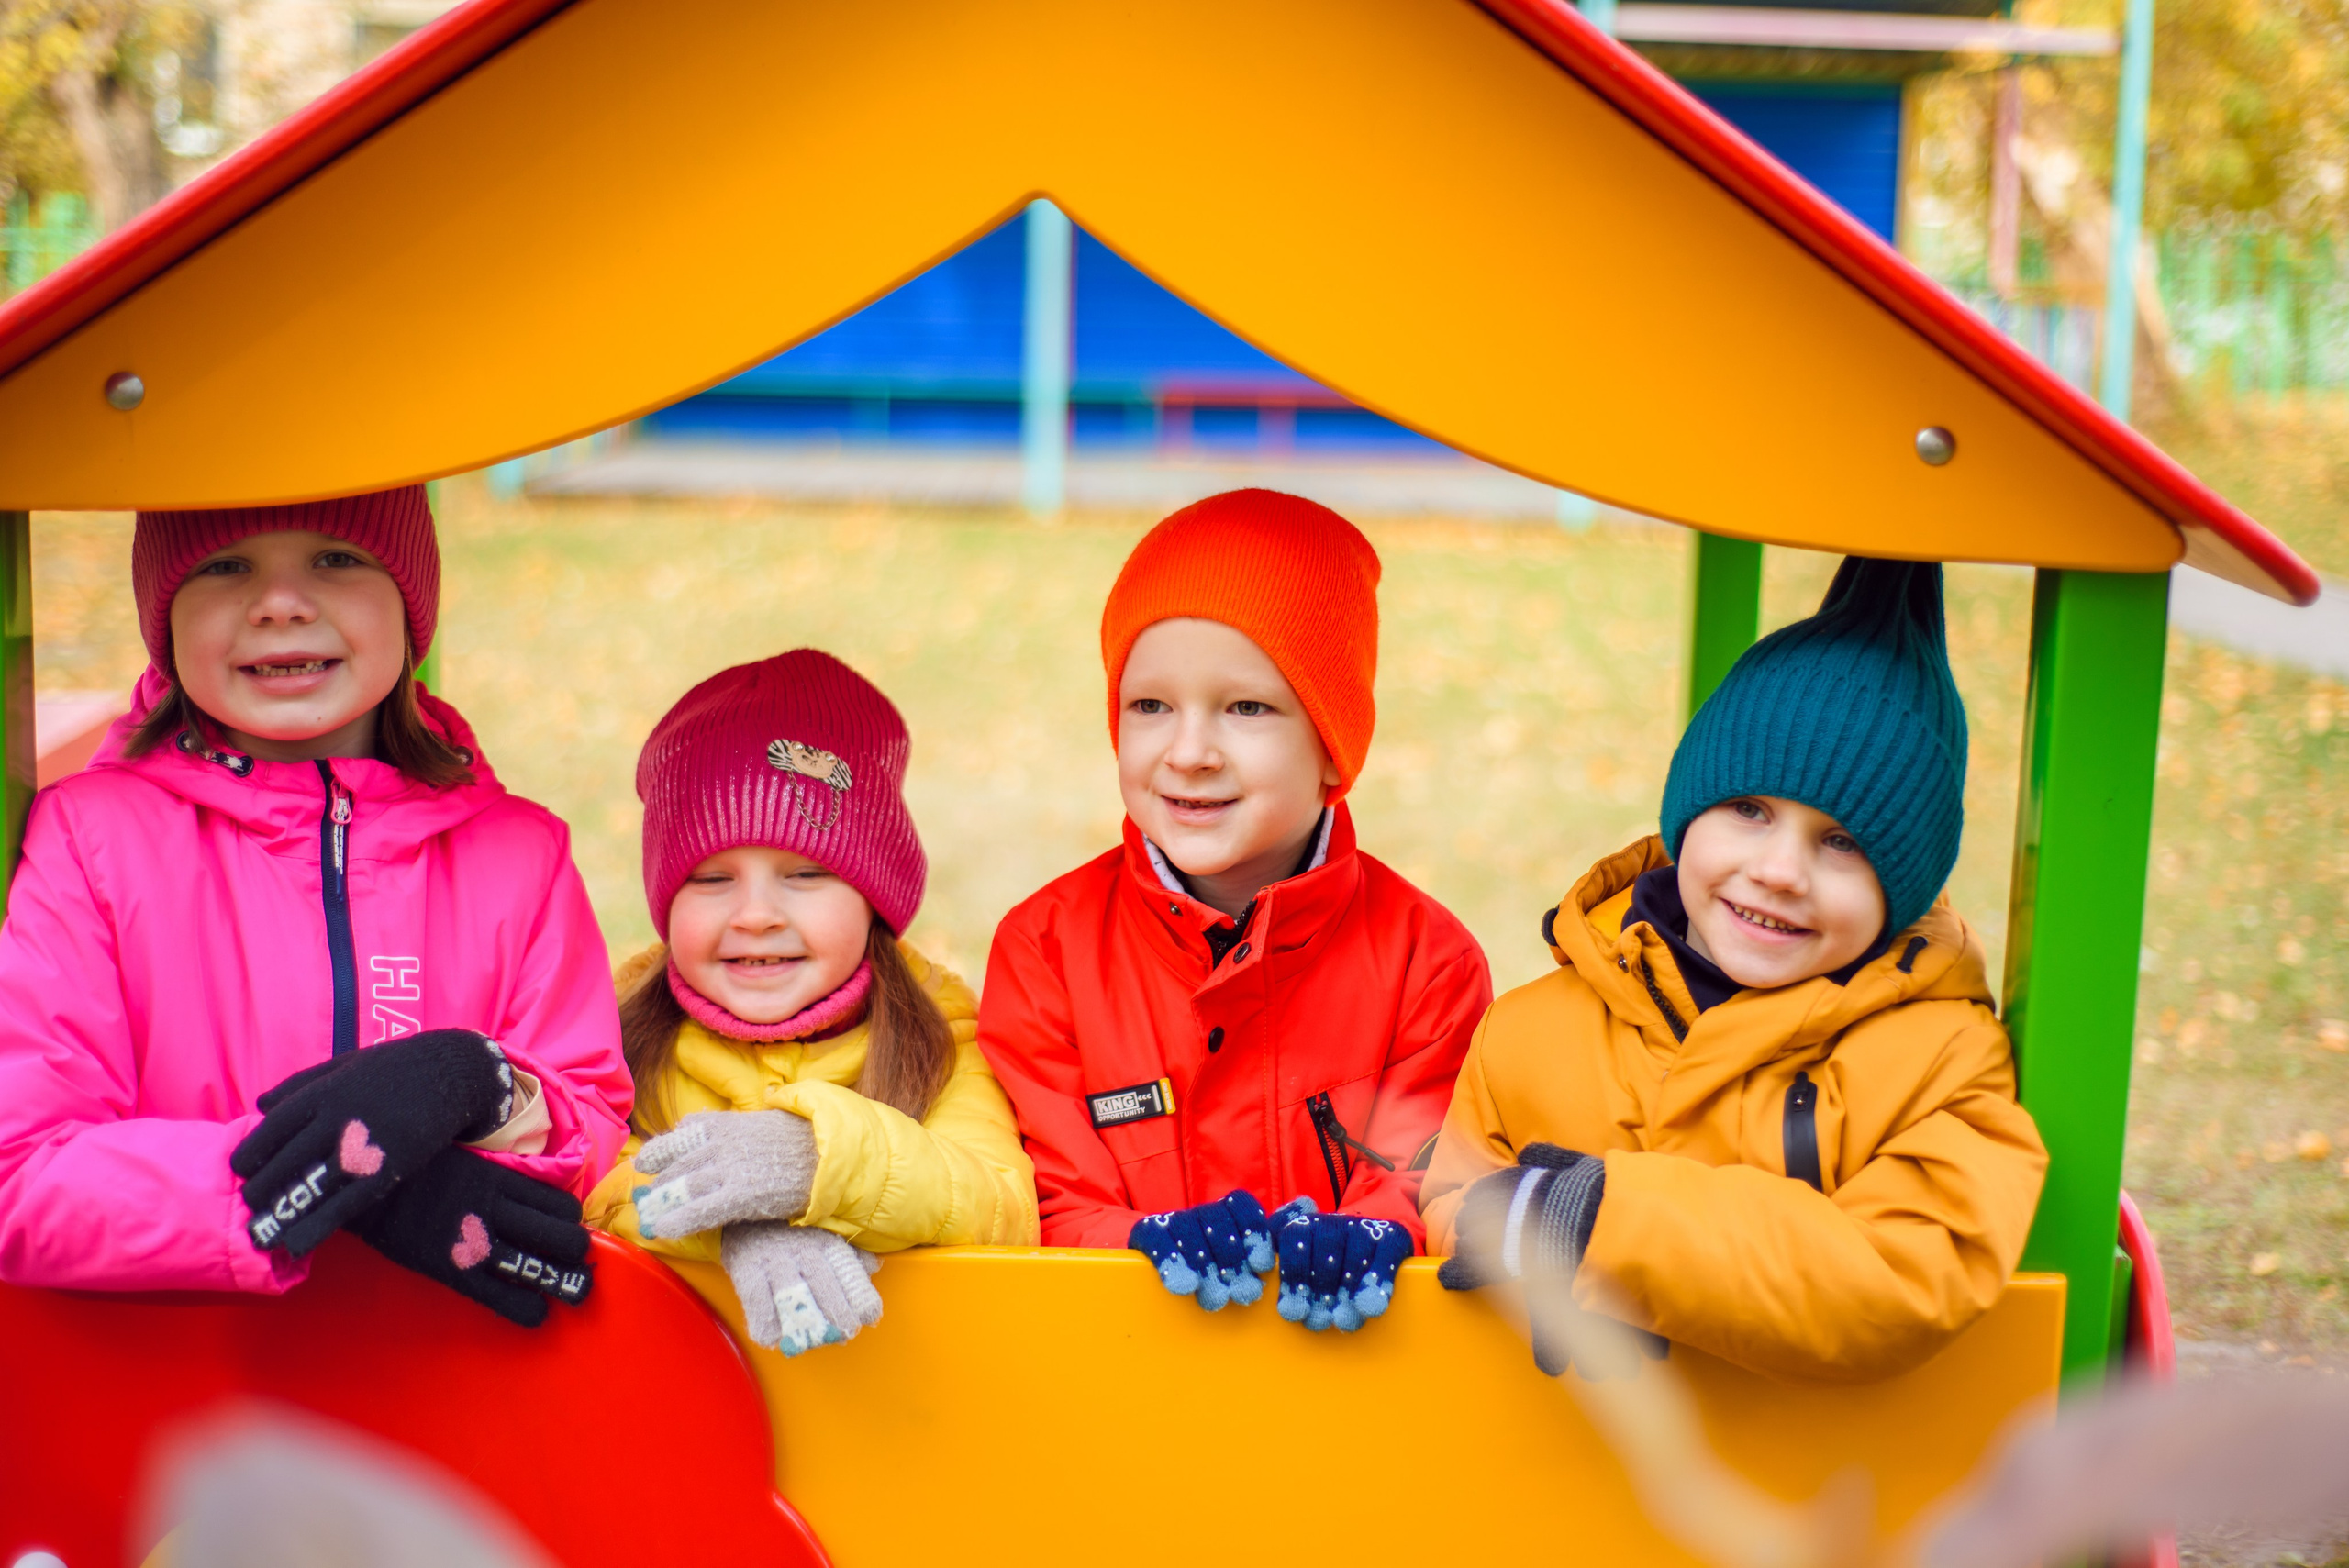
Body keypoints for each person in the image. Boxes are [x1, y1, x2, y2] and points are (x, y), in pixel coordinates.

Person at [0, 487, 629, 1328]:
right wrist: (308, 1186)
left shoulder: (519, 851)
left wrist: (484, 1087)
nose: (281, 604)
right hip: (173, 1402)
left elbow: (590, 1129)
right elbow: (23, 1172)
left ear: (410, 604)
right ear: (165, 616)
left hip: (449, 1399)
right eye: (226, 566)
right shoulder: (92, 838)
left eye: (336, 557)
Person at [1424, 557, 2047, 1383]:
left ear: (1904, 889)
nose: (1781, 870)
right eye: (1750, 810)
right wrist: (1501, 1230)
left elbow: (1902, 1273)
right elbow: (1453, 1202)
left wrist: (1610, 1227)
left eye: (1842, 842)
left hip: (1814, 1493)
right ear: (1687, 816)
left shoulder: (1942, 1062)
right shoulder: (1533, 1030)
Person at [979, 489, 1490, 1334]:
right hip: (1119, 1385)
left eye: (1246, 707)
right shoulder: (1047, 951)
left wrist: (1382, 1228)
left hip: (1344, 1394)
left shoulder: (1426, 961)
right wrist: (1143, 1240)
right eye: (1150, 706)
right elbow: (1046, 1198)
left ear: (1333, 743)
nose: (1189, 752)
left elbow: (1431, 1175)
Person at [585, 650, 1035, 1356]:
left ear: (875, 897)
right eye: (711, 878)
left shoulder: (942, 1036)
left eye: (805, 872)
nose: (757, 914)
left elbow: (1001, 1207)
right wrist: (734, 1226)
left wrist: (816, 1161)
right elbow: (596, 1183)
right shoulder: (613, 1031)